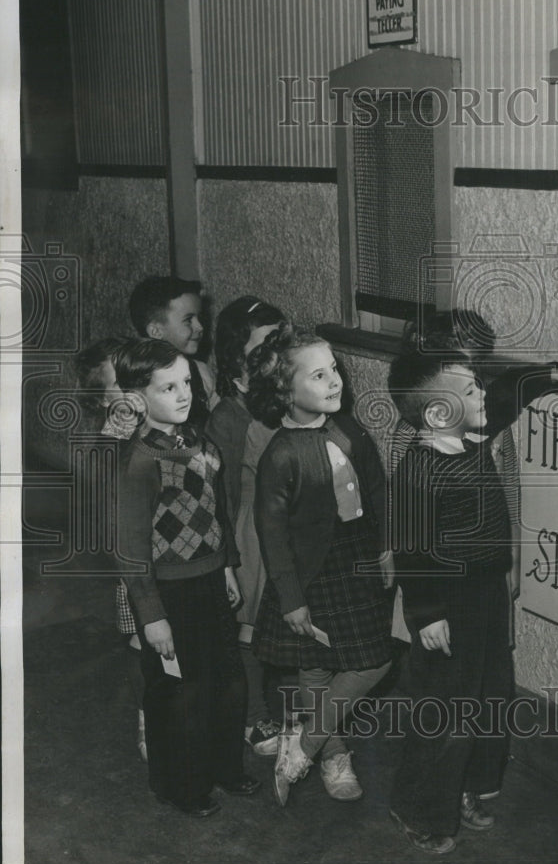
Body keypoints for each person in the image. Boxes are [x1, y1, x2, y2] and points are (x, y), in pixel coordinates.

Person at [386, 345, 558, 855]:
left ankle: (470, 788)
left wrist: (553, 375)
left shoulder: (470, 435)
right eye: (469, 388)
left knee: (489, 695)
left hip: (486, 594)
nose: (482, 394)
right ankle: (420, 807)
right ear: (437, 413)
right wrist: (425, 615)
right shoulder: (418, 472)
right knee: (445, 708)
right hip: (446, 605)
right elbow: (410, 552)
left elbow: (507, 394)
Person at [246, 324, 393, 806]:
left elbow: (378, 493)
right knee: (314, 671)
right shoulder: (280, 456)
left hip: (359, 560)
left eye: (334, 370)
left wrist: (388, 547)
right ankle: (334, 754)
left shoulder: (350, 429)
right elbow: (272, 536)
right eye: (319, 375)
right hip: (312, 574)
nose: (335, 382)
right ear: (285, 392)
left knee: (374, 659)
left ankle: (304, 745)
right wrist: (291, 599)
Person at [115, 338, 259, 817]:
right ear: (138, 399)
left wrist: (229, 565)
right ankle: (180, 784)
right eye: (168, 387)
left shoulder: (200, 440)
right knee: (179, 691)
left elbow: (219, 509)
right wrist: (151, 617)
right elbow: (132, 551)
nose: (184, 395)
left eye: (187, 384)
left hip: (211, 581)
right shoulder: (140, 461)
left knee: (227, 680)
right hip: (168, 594)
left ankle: (223, 766)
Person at [205, 296, 287, 756]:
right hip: (248, 537)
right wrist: (227, 562)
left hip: (284, 529)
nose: (278, 353)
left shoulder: (285, 401)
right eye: (267, 345)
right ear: (239, 361)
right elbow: (222, 496)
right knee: (249, 631)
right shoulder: (229, 418)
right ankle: (253, 716)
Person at [75, 336, 147, 761]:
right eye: (121, 382)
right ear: (101, 400)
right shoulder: (107, 440)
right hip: (136, 558)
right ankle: (147, 716)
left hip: (179, 549)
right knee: (143, 641)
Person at [128, 275, 219, 427]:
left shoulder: (201, 372)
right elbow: (116, 439)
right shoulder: (132, 381)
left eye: (199, 318)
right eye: (188, 320)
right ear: (156, 332)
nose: (200, 327)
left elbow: (220, 424)